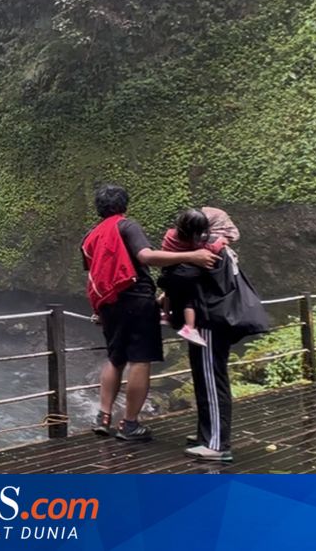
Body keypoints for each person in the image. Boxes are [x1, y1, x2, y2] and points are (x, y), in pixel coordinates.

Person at [81, 185, 217, 442]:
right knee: (140, 359)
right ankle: (129, 424)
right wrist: (193, 256)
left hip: (108, 303)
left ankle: (103, 416)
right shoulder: (126, 226)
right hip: (136, 298)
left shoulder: (90, 236)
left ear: (98, 208)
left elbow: (96, 272)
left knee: (115, 357)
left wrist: (98, 308)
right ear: (125, 205)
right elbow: (146, 257)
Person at [158, 208, 237, 463]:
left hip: (209, 322)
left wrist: (171, 274)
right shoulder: (206, 251)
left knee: (212, 381)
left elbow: (175, 278)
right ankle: (207, 434)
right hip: (207, 321)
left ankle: (216, 444)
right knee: (204, 378)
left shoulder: (212, 254)